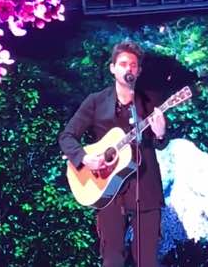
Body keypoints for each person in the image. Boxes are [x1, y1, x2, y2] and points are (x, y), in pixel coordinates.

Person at [59, 41, 167, 267]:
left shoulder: (150, 102)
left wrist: (159, 134)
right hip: (107, 190)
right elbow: (67, 137)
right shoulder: (96, 102)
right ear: (113, 68)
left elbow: (161, 143)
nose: (128, 68)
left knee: (146, 260)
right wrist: (84, 158)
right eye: (123, 64)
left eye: (133, 65)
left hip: (145, 187)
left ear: (138, 71)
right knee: (112, 259)